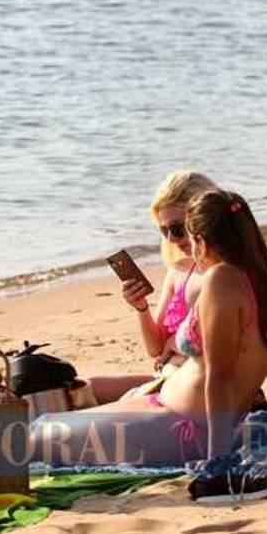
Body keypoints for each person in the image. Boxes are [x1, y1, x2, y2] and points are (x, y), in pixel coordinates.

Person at [34, 190, 267, 501]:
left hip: (181, 428)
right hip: (166, 406)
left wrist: (218, 463)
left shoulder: (221, 280)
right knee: (47, 426)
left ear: (201, 241)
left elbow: (220, 377)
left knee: (33, 438)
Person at [87, 170, 219, 405]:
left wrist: (177, 343)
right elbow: (155, 348)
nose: (171, 239)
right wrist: (141, 307)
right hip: (167, 376)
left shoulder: (224, 275)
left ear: (203, 218)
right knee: (84, 388)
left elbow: (228, 345)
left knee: (107, 410)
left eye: (177, 229)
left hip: (194, 387)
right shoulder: (179, 271)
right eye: (164, 230)